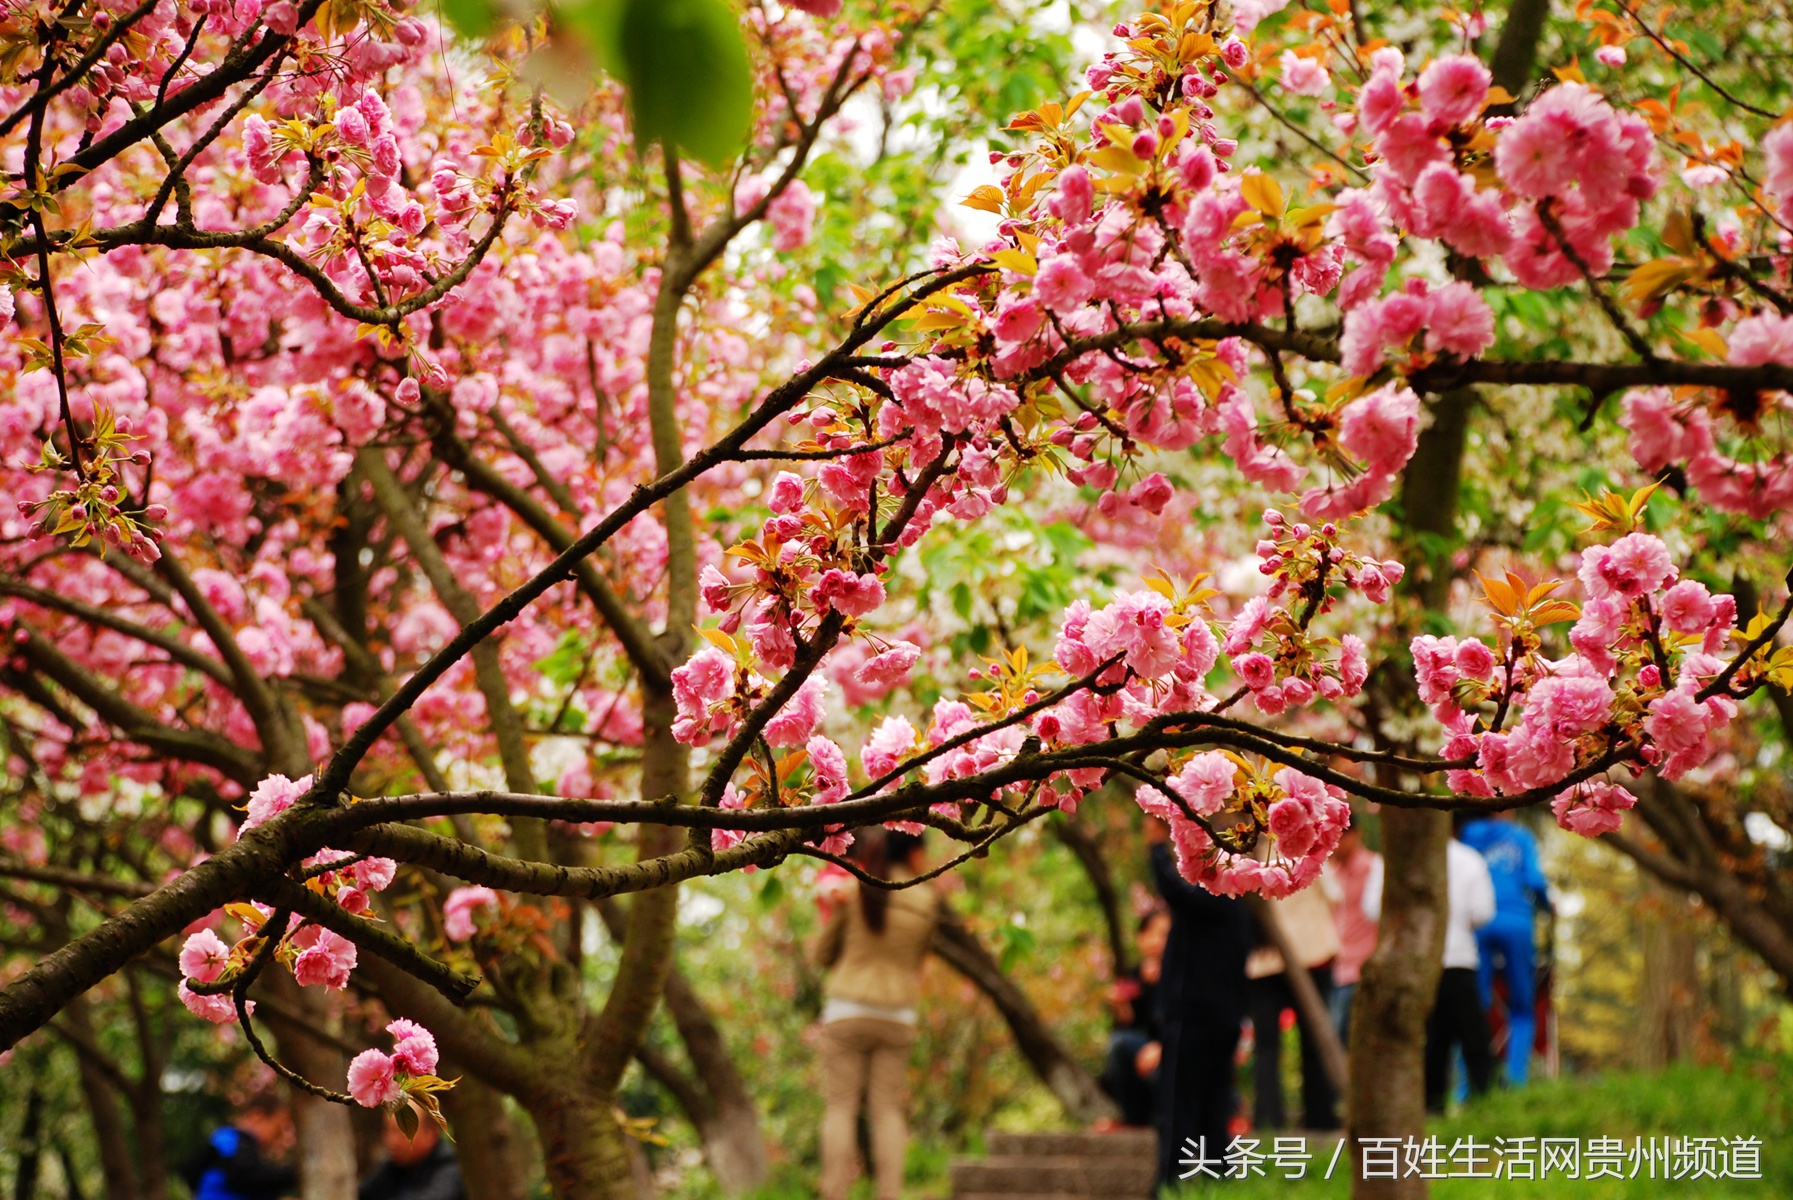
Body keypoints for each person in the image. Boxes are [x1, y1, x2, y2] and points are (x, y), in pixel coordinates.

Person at [816, 828, 941, 1200]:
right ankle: (890, 1194)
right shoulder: (925, 901)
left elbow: (823, 954)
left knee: (840, 1107)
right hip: (897, 1013)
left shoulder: (855, 889)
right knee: (886, 1111)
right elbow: (918, 960)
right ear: (914, 853)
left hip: (848, 1008)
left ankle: (834, 1193)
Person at [1146, 820, 1253, 1192]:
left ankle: (1171, 1183)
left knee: (1179, 1102)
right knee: (1213, 1102)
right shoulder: (1238, 906)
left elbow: (1176, 892)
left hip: (1194, 1017)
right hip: (1224, 1018)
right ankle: (1216, 1179)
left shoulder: (1212, 898)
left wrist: (1157, 848)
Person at [1365, 827, 1497, 1112]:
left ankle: (1430, 1108)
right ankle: (1485, 1103)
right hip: (1459, 959)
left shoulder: (1392, 857)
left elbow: (1372, 907)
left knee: (1430, 1041)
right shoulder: (1469, 859)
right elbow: (1483, 911)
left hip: (1412, 963)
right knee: (1473, 1038)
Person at [1458, 811, 1552, 1086]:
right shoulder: (1520, 836)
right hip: (1517, 922)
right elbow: (1535, 881)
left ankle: (1468, 1086)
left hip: (1477, 923)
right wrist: (1546, 906)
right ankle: (1515, 1081)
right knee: (1522, 1005)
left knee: (1475, 1007)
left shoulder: (1467, 834)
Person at [1244, 882, 1341, 1131]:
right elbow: (1334, 894)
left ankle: (1268, 1119)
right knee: (1314, 1042)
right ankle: (1320, 1119)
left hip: (1263, 958)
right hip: (1311, 954)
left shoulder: (1244, 858)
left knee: (1266, 1046)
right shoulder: (1312, 856)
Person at [1097, 908, 1171, 1128]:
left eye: (1163, 935)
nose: (1155, 941)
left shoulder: (1184, 976)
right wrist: (1120, 1005)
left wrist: (1163, 1048)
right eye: (1149, 933)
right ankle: (1134, 1120)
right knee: (1120, 1045)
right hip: (1146, 1052)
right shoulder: (1135, 975)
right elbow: (1129, 1024)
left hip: (1177, 1048)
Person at [1322, 817, 1381, 1044]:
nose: (1335, 844)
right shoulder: (1329, 872)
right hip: (1335, 967)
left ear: (1356, 833)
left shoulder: (1374, 868)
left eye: (1340, 837)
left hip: (1361, 968)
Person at [181, 1092, 298, 1200]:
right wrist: (295, 1171)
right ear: (257, 1116)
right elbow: (249, 1177)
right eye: (277, 1130)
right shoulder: (228, 1139)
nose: (278, 1139)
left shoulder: (243, 1147)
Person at [358, 1109, 464, 1200]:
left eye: (401, 1133)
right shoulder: (395, 1165)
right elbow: (363, 1194)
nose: (392, 1141)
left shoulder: (451, 1166)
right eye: (388, 1131)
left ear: (431, 1133)